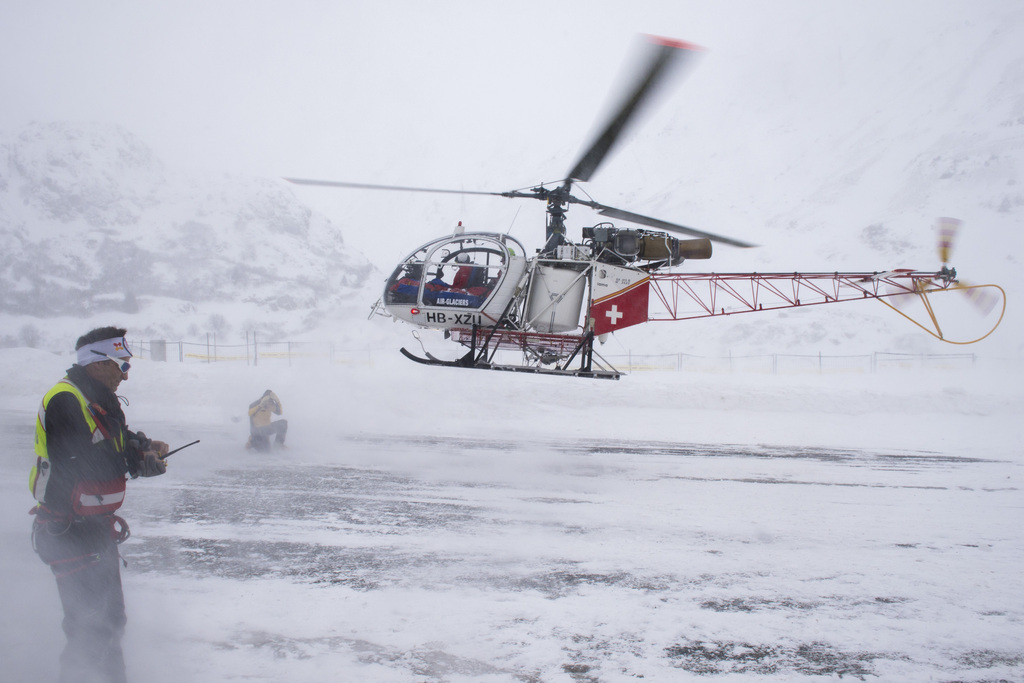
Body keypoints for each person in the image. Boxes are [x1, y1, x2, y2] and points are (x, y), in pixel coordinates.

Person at [30, 326, 169, 683]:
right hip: (68, 532)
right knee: (90, 628)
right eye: (121, 364)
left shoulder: (101, 400)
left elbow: (113, 439)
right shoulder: (65, 399)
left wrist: (142, 448)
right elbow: (80, 460)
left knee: (111, 622)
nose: (127, 372)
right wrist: (134, 462)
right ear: (96, 363)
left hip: (94, 530)